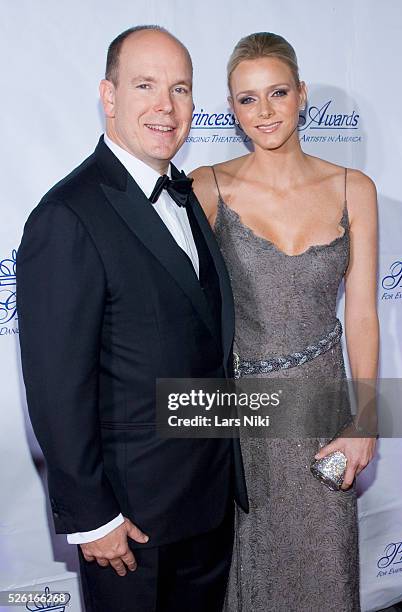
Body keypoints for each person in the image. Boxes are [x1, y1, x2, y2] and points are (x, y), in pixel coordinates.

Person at [16, 26, 248, 612]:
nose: (165, 106)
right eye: (145, 85)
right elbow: (55, 388)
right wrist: (93, 518)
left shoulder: (186, 194)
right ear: (109, 95)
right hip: (131, 522)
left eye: (180, 88)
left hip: (204, 505)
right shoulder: (68, 216)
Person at [190, 32, 379, 611]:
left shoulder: (355, 189)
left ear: (300, 95)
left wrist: (367, 418)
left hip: (323, 407)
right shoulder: (207, 186)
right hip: (241, 411)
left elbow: (364, 314)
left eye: (276, 93)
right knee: (249, 572)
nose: (264, 112)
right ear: (232, 109)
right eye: (247, 99)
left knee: (325, 568)